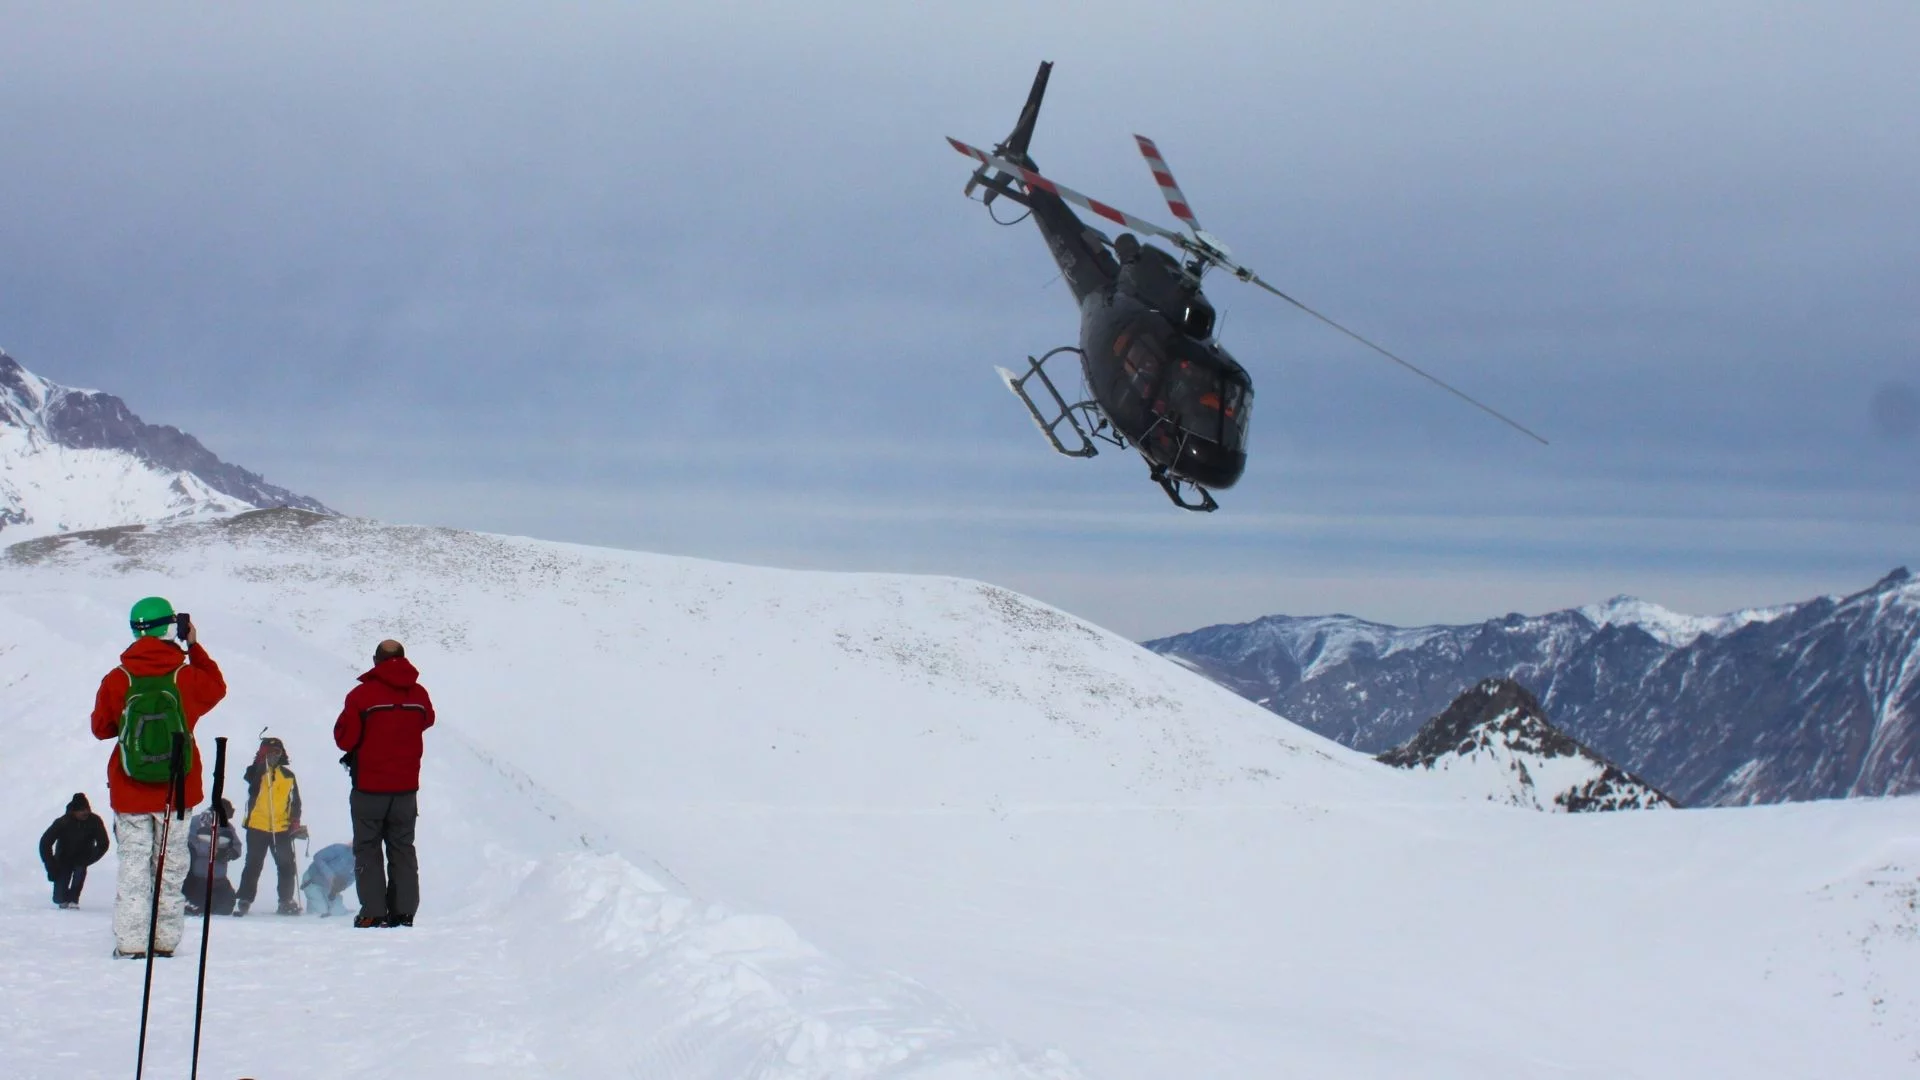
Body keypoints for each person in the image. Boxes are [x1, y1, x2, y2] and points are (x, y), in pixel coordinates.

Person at [91, 596, 226, 958]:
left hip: (130, 789)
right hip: (177, 789)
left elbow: (101, 728)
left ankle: (133, 942)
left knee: (134, 865)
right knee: (169, 864)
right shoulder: (185, 675)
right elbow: (217, 688)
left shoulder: (118, 677)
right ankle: (164, 941)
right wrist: (194, 646)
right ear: (171, 628)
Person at [333, 639, 435, 928]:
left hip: (369, 786)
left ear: (375, 661)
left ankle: (373, 912)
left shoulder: (362, 696)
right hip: (406, 788)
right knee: (403, 847)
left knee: (367, 847)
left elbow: (345, 738)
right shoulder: (419, 694)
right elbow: (428, 719)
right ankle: (404, 912)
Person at [235, 736, 306, 916]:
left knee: (287, 864)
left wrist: (295, 822)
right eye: (270, 752)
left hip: (281, 828)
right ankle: (245, 899)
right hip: (257, 826)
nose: (274, 755)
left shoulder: (289, 776)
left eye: (277, 751)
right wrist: (262, 765)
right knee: (253, 864)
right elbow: (252, 787)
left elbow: (295, 802)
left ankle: (286, 901)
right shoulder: (255, 771)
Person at [39, 793, 110, 909]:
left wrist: (90, 858)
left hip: (82, 858)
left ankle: (73, 900)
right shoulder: (62, 822)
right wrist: (50, 865)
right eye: (81, 810)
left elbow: (103, 843)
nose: (85, 812)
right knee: (59, 899)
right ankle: (63, 899)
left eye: (87, 809)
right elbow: (45, 843)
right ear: (73, 811)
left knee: (79, 875)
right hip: (63, 859)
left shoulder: (94, 821)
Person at [183, 798, 241, 916]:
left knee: (226, 908)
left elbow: (237, 846)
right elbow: (191, 844)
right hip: (198, 877)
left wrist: (229, 853)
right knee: (203, 905)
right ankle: (189, 901)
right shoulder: (195, 823)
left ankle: (206, 903)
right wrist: (214, 851)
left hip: (219, 878)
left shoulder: (227, 828)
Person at [299, 843, 356, 917]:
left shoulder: (361, 864)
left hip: (330, 888)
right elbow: (318, 857)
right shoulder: (339, 849)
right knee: (321, 913)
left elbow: (352, 878)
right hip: (312, 882)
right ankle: (313, 912)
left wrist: (342, 886)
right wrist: (330, 876)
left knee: (338, 913)